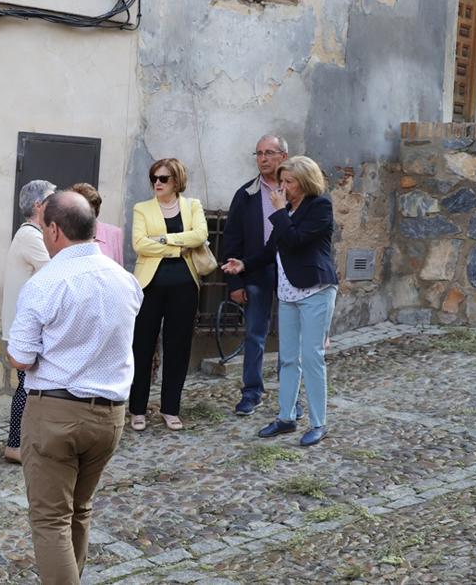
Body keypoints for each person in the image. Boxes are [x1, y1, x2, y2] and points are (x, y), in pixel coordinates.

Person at [6, 190, 143, 585]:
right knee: (79, 510)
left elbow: (21, 357)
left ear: (53, 230)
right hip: (110, 415)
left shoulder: (45, 283)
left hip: (56, 412)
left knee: (50, 519)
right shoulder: (125, 280)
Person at [221, 156, 339, 447]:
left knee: (312, 358)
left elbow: (296, 240)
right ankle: (286, 417)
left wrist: (277, 212)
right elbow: (270, 250)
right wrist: (243, 265)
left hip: (315, 290)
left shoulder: (319, 206)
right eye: (282, 181)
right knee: (287, 358)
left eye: (289, 182)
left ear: (305, 182)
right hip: (288, 292)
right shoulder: (286, 210)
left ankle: (318, 422)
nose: (282, 186)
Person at [129, 158, 208, 432]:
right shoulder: (142, 208)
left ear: (176, 180)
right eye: (154, 178)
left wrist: (162, 240)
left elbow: (200, 235)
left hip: (185, 285)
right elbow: (139, 244)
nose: (157, 183)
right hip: (149, 286)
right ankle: (137, 409)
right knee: (142, 347)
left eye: (163, 178)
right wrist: (176, 246)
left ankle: (170, 408)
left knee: (178, 348)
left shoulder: (192, 205)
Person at [222, 134, 290, 416]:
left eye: (269, 153)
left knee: (291, 335)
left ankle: (291, 394)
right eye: (259, 153)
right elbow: (231, 241)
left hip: (291, 272)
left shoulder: (297, 190)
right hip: (256, 270)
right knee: (254, 334)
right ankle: (252, 392)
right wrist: (235, 282)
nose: (263, 159)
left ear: (283, 157)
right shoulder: (246, 193)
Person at [0, 179, 55, 464]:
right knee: (27, 387)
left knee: (28, 386)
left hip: (23, 325)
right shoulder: (31, 236)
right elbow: (54, 270)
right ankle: (14, 445)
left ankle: (19, 443)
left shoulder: (29, 235)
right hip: (25, 328)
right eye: (52, 200)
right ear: (39, 205)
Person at [70, 182, 124, 266]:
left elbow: (119, 269)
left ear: (96, 210)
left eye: (88, 210)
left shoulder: (114, 233)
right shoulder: (65, 233)